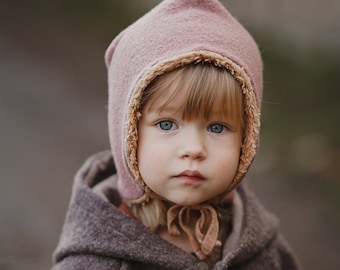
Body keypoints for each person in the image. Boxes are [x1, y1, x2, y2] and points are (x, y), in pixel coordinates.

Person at [52, 0, 300, 269]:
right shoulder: (94, 260)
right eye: (167, 124)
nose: (193, 148)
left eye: (217, 128)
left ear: (247, 140)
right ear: (127, 131)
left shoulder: (261, 248)